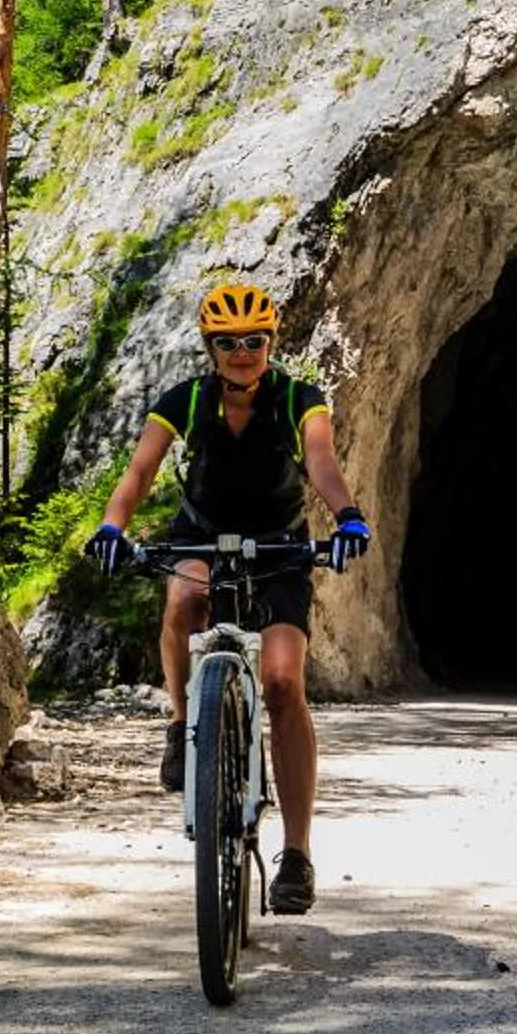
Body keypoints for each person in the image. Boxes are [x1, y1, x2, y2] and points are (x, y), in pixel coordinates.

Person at [85, 281, 369, 917]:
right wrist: (112, 527)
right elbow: (139, 472)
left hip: (279, 545)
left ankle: (296, 855)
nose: (243, 352)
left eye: (255, 340)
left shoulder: (300, 399)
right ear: (210, 347)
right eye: (228, 343)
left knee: (282, 684)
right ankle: (181, 723)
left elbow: (321, 461)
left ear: (271, 341)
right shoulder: (183, 402)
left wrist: (347, 515)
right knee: (185, 602)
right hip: (201, 533)